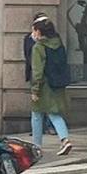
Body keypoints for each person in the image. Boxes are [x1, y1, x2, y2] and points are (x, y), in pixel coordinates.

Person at [29, 18, 73, 156]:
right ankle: (65, 139)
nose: (32, 33)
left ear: (39, 31)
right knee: (54, 113)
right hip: (58, 84)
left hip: (44, 85)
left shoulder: (39, 48)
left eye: (34, 30)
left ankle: (36, 146)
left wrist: (35, 89)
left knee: (36, 114)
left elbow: (37, 71)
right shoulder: (59, 44)